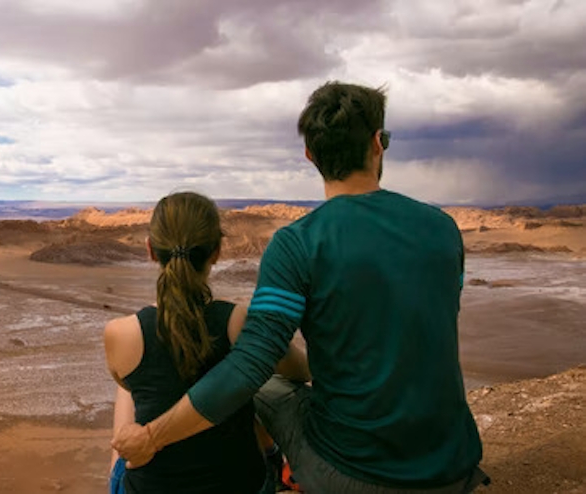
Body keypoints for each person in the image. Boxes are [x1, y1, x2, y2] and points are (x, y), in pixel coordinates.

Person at [112, 82, 489, 493]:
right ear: (378, 144)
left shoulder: (298, 243)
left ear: (310, 155)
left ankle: (270, 472)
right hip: (454, 467)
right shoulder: (443, 229)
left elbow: (249, 367)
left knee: (262, 386)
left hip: (353, 476)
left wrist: (151, 438)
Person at [104, 191, 310, 494]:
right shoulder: (239, 321)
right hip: (240, 484)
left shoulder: (120, 332)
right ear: (216, 251)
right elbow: (301, 371)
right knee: (254, 393)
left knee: (127, 390)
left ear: (150, 250)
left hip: (150, 485)